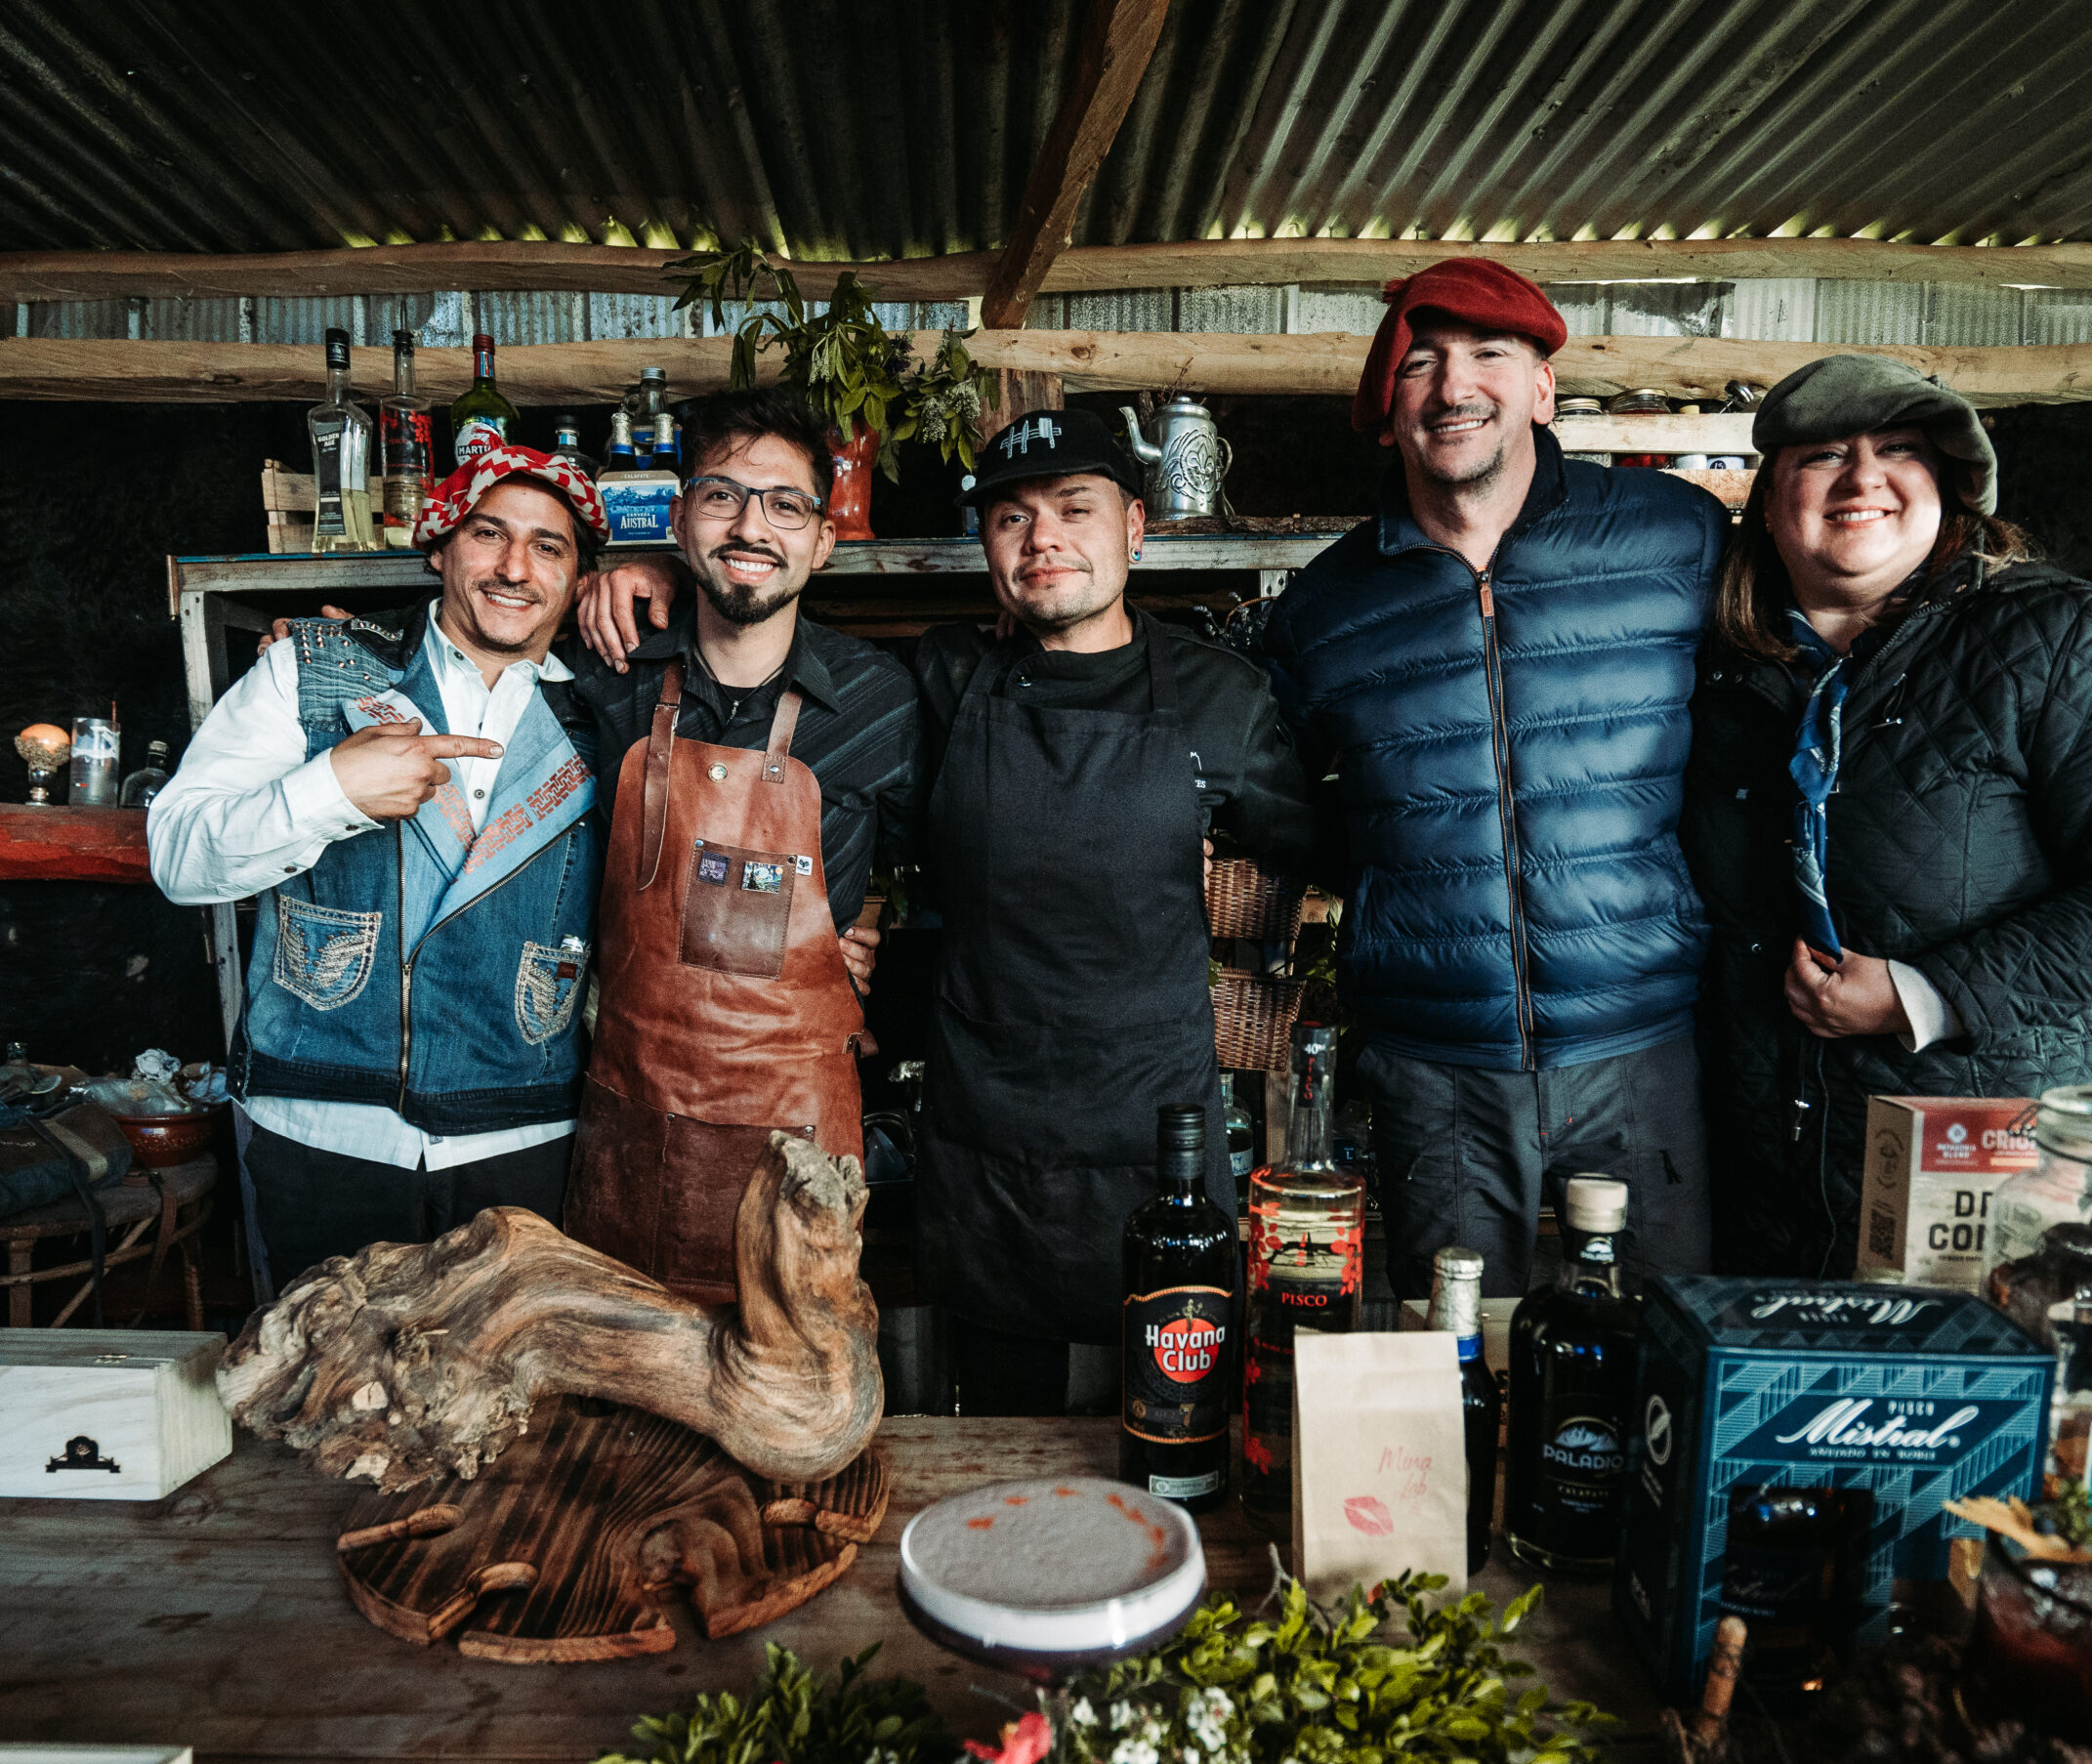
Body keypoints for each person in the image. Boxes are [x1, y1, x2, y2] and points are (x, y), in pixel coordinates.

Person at [576, 407, 1311, 1410]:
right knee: (997, 1430)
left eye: (1073, 510)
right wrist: (643, 570)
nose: (1043, 537)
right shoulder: (943, 675)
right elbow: (861, 818)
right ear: (987, 548)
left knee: (1172, 1428)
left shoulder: (1224, 699)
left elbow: (1312, 847)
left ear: (1135, 528)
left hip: (1153, 1139)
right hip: (980, 1139)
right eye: (1012, 518)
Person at [1681, 354, 2092, 1277]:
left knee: (1984, 1402)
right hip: (1765, 1163)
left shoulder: (2061, 636)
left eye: (1897, 449)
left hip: (1992, 1152)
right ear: (1771, 496)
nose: (1863, 478)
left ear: (1948, 486)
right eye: (1823, 455)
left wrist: (1921, 995)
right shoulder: (1716, 665)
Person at [1263, 259, 1722, 1300]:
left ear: (1544, 387)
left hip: (1639, 1042)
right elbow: (1290, 799)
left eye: (1488, 355)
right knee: (1454, 1373)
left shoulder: (1671, 536)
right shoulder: (1326, 608)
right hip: (1436, 1070)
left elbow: (1817, 659)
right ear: (1390, 409)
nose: (1452, 386)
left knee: (1660, 1352)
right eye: (1419, 364)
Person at [150, 448, 607, 1289]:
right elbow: (178, 857)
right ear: (438, 547)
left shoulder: (607, 711)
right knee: (319, 1406)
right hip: (320, 1131)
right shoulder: (314, 668)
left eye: (550, 547)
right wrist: (332, 789)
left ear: (580, 578)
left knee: (505, 1414)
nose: (514, 568)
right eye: (488, 534)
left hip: (525, 1141)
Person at [562, 384, 921, 1301]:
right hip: (630, 1126)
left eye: (786, 505)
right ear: (681, 522)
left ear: (823, 541)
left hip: (802, 1145)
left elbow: (964, 879)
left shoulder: (884, 704)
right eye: (723, 496)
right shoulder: (607, 679)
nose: (751, 527)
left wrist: (871, 944)